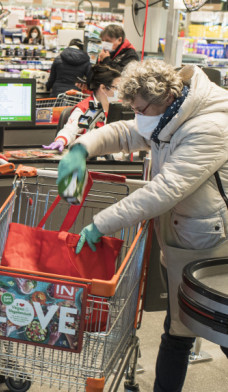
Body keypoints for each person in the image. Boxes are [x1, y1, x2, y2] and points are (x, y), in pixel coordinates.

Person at [57, 59, 228, 392]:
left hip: (206, 240)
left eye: (139, 108)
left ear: (163, 98)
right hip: (180, 233)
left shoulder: (209, 126)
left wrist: (99, 224)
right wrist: (82, 147)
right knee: (180, 325)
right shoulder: (170, 112)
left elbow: (166, 189)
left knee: (209, 326)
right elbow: (124, 132)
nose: (136, 115)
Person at [43, 65, 120, 151]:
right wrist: (61, 140)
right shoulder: (88, 109)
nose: (120, 91)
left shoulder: (121, 106)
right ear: (103, 88)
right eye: (117, 87)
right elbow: (71, 129)